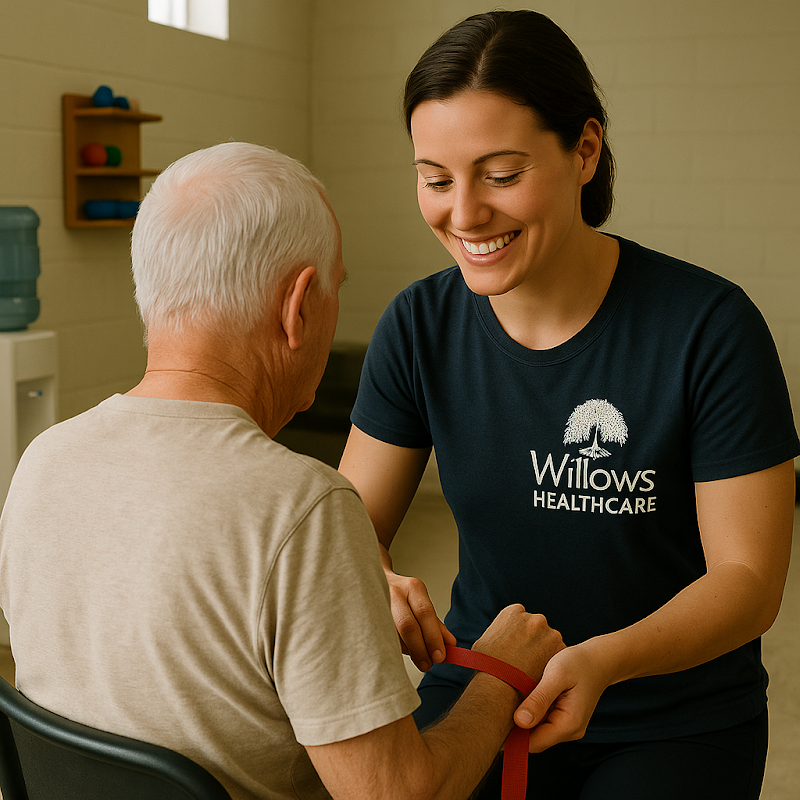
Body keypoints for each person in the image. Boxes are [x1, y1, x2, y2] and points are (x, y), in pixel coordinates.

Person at [0, 142, 566, 800]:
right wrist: (497, 675)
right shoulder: (303, 506)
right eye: (334, 291)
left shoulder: (44, 460)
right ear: (298, 306)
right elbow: (400, 796)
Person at [338, 10, 799, 800]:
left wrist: (604, 659)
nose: (466, 214)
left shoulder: (710, 328)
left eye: (502, 174)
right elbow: (346, 526)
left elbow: (749, 578)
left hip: (668, 710)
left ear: (584, 151)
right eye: (437, 179)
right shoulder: (419, 326)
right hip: (488, 681)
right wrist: (369, 577)